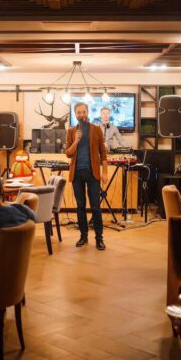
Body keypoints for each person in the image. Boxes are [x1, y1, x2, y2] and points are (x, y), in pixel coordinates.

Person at [65, 102, 108, 250]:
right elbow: (68, 153)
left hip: (92, 173)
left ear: (87, 112)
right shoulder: (71, 131)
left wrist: (105, 172)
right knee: (80, 206)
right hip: (76, 174)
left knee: (96, 207)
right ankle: (83, 237)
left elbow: (103, 152)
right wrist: (76, 140)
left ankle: (99, 239)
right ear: (75, 114)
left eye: (83, 112)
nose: (81, 114)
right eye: (79, 112)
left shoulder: (96, 129)